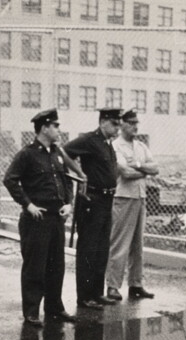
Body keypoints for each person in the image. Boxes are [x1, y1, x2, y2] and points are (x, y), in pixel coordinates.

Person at [3, 109, 80, 327]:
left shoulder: (56, 152)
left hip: (56, 218)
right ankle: (31, 311)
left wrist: (68, 203)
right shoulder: (28, 154)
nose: (58, 129)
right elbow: (10, 179)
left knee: (57, 266)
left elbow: (67, 181)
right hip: (37, 219)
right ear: (44, 128)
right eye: (55, 125)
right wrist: (27, 204)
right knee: (35, 267)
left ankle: (54, 308)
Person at [63, 108, 122, 310]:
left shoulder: (108, 145)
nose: (117, 128)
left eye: (118, 124)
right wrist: (79, 172)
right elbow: (63, 152)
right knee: (88, 249)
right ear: (103, 122)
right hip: (92, 200)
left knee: (102, 249)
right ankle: (85, 296)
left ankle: (96, 293)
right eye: (114, 123)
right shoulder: (89, 140)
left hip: (106, 201)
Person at [105, 110, 158, 302]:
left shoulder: (140, 145)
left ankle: (135, 284)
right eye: (131, 123)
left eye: (137, 123)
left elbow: (155, 168)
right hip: (123, 198)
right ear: (122, 125)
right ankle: (112, 285)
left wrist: (137, 166)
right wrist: (143, 170)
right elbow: (125, 173)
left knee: (138, 245)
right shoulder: (115, 146)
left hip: (140, 197)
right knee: (120, 244)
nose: (135, 126)